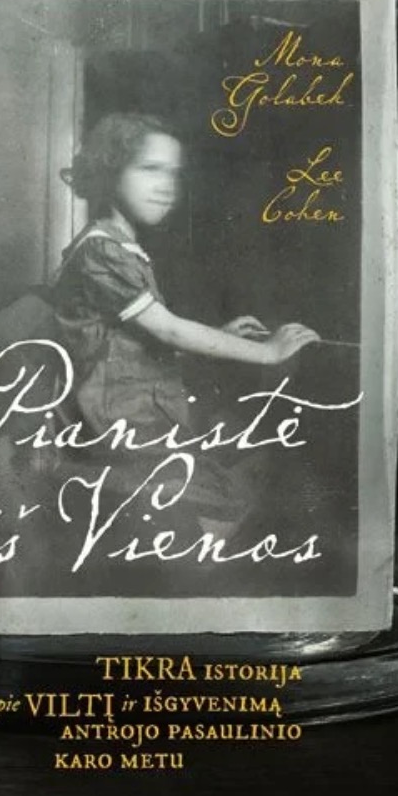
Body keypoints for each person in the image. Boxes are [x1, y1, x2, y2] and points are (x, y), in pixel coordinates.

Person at [52, 112, 320, 542]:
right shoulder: (103, 251)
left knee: (250, 460)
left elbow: (129, 339)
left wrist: (222, 336)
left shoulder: (118, 244)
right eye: (150, 169)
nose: (166, 185)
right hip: (116, 414)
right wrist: (268, 351)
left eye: (173, 173)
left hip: (135, 398)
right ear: (108, 172)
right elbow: (169, 331)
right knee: (243, 482)